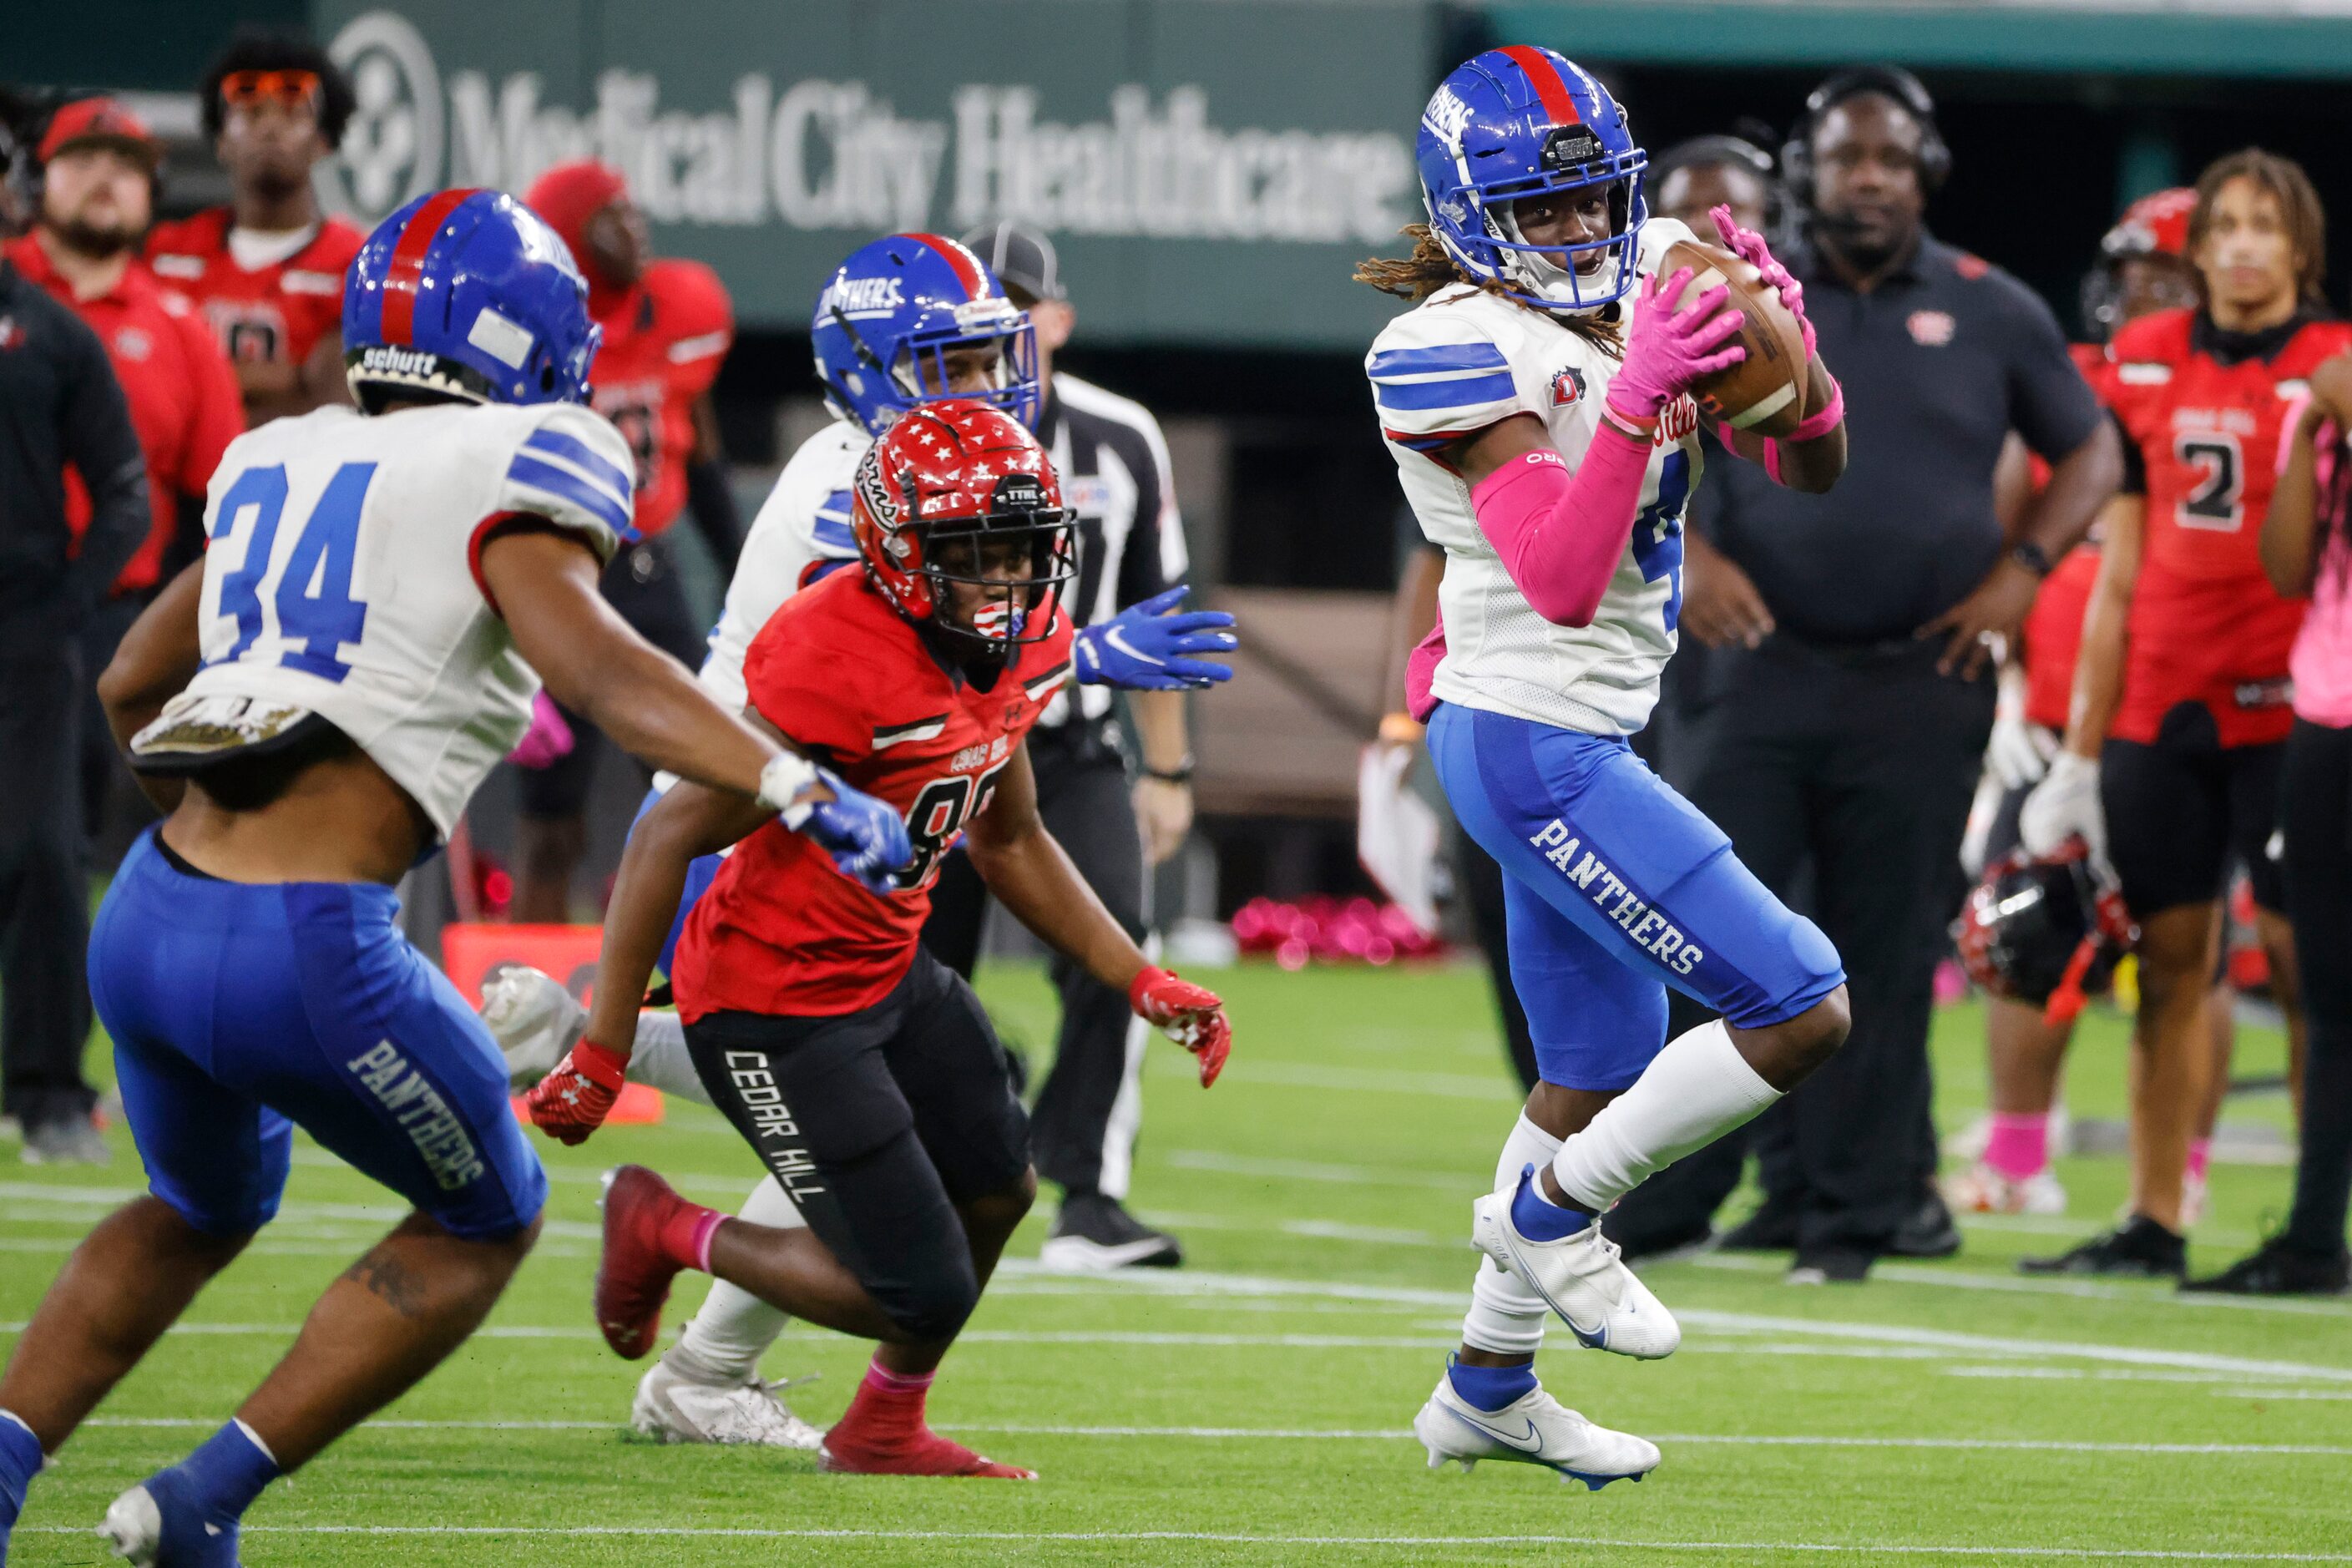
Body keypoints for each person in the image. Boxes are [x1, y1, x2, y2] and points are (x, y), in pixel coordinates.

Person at [0, 188, 893, 1564]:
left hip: (150, 914)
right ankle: (197, 1503)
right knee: (492, 1209)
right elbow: (601, 669)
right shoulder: (519, 454)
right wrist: (791, 779)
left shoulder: (280, 449)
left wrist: (205, 820)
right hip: (301, 939)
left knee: (200, 1203)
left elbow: (132, 677)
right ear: (529, 339)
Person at [479, 230, 1232, 1450]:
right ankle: (627, 1147)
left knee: (942, 1157)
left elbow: (1004, 805)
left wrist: (1138, 971)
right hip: (769, 794)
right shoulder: (868, 522)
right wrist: (1073, 654)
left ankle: (780, 1378)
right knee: (845, 1148)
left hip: (862, 855)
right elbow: (879, 679)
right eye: (955, 361)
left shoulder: (972, 548)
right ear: (875, 370)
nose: (991, 384)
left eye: (998, 354)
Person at [1358, 44, 1853, 1484]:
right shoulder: (1444, 344)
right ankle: (1554, 1217)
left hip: (1583, 727)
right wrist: (1637, 399)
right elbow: (1562, 576)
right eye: (1543, 208)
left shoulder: (1666, 261)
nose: (1582, 235)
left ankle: (1486, 1381)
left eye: (1595, 203)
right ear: (1464, 213)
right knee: (1802, 1001)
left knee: (1589, 1072)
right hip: (1526, 736)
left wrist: (1796, 362)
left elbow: (1812, 470)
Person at [1605, 68, 2122, 1278]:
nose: (1872, 179)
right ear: (1808, 175)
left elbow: (2092, 442)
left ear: (1926, 171)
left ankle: (1850, 1217)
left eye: (1892, 159)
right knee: (1699, 934)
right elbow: (1634, 428)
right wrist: (1693, 548)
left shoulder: (1995, 307)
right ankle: (1670, 1199)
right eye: (1847, 159)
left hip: (1917, 676)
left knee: (1883, 959)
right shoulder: (1746, 293)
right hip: (1754, 669)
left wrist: (2026, 569)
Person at [2021, 150, 2348, 1278]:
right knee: (2167, 970)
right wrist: (2076, 743)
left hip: (2295, 710)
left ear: (2301, 248)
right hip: (2161, 702)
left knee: (2315, 974)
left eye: (2269, 226)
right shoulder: (2146, 359)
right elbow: (2116, 570)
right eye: (2228, 227)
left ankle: (2317, 1222)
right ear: (2197, 246)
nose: (2246, 247)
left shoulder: (2334, 362)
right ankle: (2156, 1215)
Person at [946, 219, 1207, 1270]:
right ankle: (972, 1104)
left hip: (1069, 744)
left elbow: (1159, 610)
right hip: (937, 748)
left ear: (1057, 319)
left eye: (1018, 310)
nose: (1001, 335)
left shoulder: (1118, 437)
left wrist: (1172, 771)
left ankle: (1088, 1195)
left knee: (1120, 949)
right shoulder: (910, 438)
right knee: (920, 974)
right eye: (978, 315)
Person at [1945, 188, 2201, 1218]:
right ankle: (2016, 1158)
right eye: (2127, 276)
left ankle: (2178, 1169)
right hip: (2048, 715)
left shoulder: (2237, 391)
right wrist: (2008, 688)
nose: (2137, 297)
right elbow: (2006, 526)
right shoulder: (2077, 386)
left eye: (2160, 279)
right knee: (2017, 932)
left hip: (2181, 716)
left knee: (2191, 956)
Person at [5, 99, 245, 862]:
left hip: (109, 619)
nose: (105, 178)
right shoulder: (11, 298)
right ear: (37, 180)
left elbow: (227, 501)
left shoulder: (182, 329)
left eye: (127, 165)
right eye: (82, 159)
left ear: (154, 192)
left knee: (94, 848)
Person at [505, 160, 746, 922]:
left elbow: (701, 451)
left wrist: (743, 573)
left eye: (634, 211)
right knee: (550, 823)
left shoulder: (680, 307)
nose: (635, 230)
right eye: (611, 216)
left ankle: (698, 977)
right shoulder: (528, 333)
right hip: (560, 579)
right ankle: (525, 1002)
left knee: (702, 795)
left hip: (652, 576)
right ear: (571, 236)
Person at [0, 116, 149, 1168]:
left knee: (46, 854)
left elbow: (128, 495)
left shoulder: (53, 335)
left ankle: (50, 1089)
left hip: (27, 634)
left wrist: (67, 607)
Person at [2189, 340, 2352, 1294]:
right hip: (2328, 716)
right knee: (2331, 1001)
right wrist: (2315, 431)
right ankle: (2311, 1238)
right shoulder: (2324, 400)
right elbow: (2289, 568)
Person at [146, 27, 362, 426]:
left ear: (324, 141)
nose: (270, 128)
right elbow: (148, 386)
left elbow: (331, 409)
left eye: (292, 113)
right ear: (220, 140)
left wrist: (202, 378)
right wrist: (287, 378)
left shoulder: (356, 264)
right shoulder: (166, 252)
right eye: (250, 113)